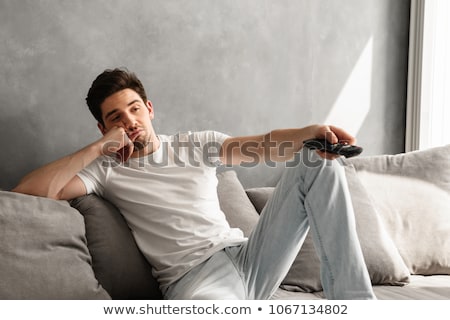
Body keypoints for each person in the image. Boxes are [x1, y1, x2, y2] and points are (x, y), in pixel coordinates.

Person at [13, 68, 376, 300]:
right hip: (195, 281)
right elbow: (30, 191)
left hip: (249, 255)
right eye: (116, 117)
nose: (130, 121)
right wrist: (96, 148)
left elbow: (261, 145)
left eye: (135, 108)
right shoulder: (104, 170)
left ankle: (358, 304)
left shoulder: (193, 144)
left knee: (316, 160)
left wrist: (310, 132)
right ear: (104, 126)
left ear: (149, 108)